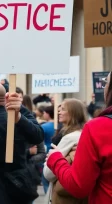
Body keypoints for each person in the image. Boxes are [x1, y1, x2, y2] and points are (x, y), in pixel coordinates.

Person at [47, 72, 112, 204]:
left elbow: (78, 186)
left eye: (106, 82)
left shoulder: (97, 128)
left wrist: (56, 158)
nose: (59, 111)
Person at [44, 99, 88, 204]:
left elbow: (48, 173)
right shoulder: (84, 134)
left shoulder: (70, 137)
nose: (59, 112)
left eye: (63, 109)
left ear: (73, 113)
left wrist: (48, 161)